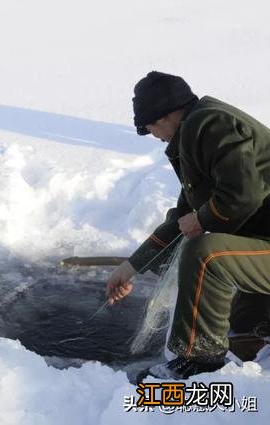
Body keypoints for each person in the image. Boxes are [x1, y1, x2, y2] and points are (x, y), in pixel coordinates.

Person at [105, 71, 270, 381]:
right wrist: (129, 269)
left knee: (206, 253)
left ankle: (198, 360)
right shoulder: (199, 131)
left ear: (168, 115)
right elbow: (183, 218)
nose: (153, 134)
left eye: (150, 126)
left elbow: (242, 196)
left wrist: (203, 219)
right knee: (243, 325)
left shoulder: (209, 126)